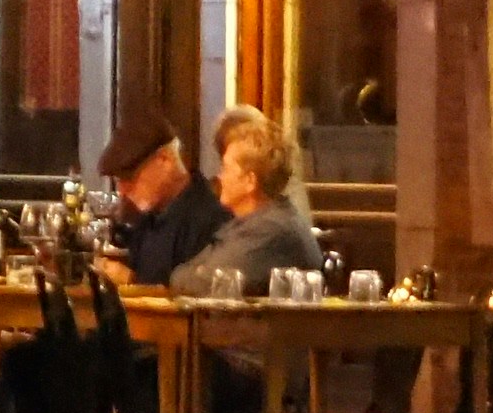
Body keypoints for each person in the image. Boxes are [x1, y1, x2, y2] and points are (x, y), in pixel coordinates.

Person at [168, 115, 327, 300]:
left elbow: (199, 283)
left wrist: (191, 274)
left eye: (226, 169)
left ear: (250, 181)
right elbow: (184, 275)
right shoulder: (254, 223)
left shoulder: (270, 230)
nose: (220, 177)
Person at [97, 111, 229, 287]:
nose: (122, 191)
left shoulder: (210, 218)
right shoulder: (147, 219)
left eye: (130, 178)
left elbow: (197, 295)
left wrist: (133, 282)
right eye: (118, 181)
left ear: (165, 160)